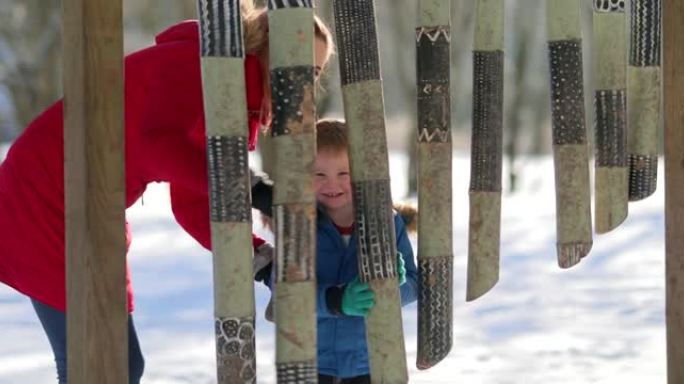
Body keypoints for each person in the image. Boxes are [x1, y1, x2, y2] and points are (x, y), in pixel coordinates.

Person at [0, 1, 334, 382]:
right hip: (45, 196)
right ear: (267, 46)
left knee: (113, 363)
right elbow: (157, 147)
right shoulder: (198, 65)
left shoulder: (234, 100)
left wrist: (257, 255)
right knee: (97, 360)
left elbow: (191, 203)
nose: (303, 81)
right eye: (298, 64)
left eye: (315, 72)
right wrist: (250, 187)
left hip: (88, 206)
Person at [257, 119, 418, 384]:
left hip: (374, 360)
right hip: (310, 363)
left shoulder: (386, 222)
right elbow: (284, 292)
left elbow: (414, 281)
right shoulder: (298, 227)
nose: (332, 185)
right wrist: (336, 301)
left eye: (344, 173)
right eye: (319, 175)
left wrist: (391, 290)